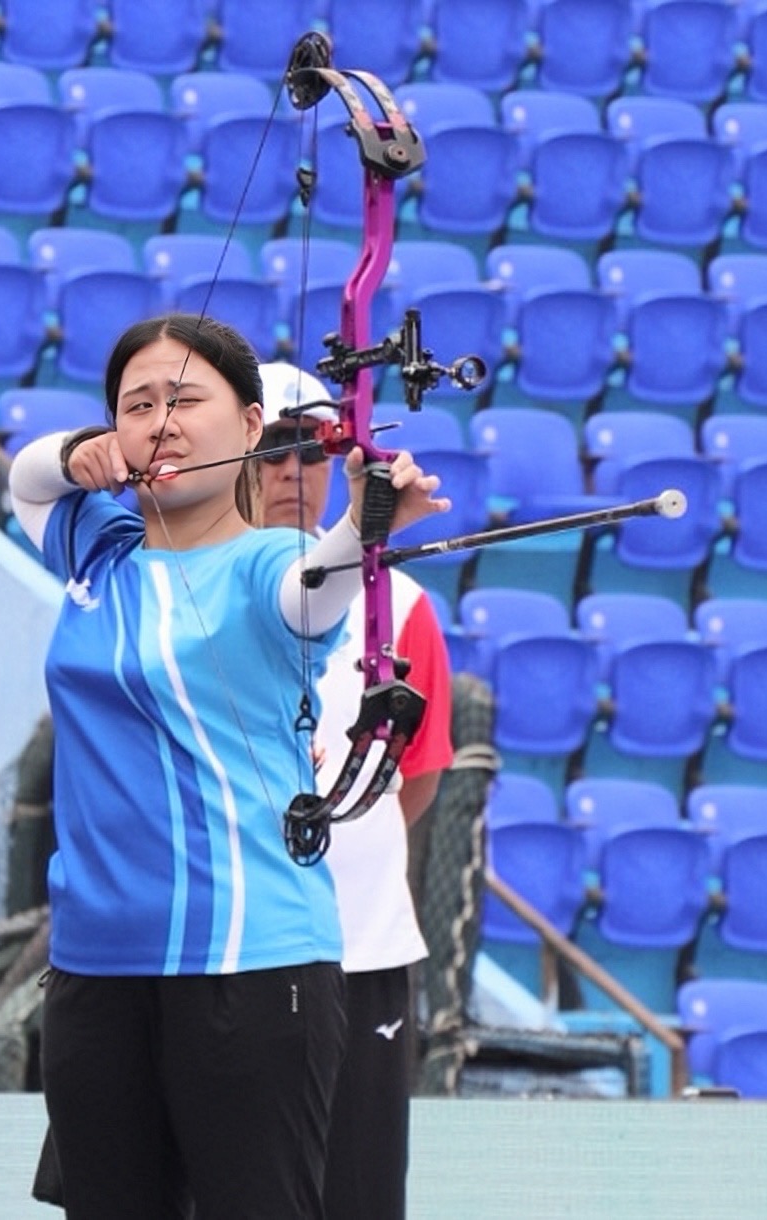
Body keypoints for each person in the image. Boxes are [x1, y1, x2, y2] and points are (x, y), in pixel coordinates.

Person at [9, 313, 447, 1218]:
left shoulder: (268, 564)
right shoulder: (96, 549)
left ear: (250, 427)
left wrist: (367, 520)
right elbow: (25, 479)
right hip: (95, 969)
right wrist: (76, 449)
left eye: (186, 400)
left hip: (253, 970)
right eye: (136, 406)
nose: (160, 422)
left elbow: (314, 590)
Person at [248, 362, 454, 1220]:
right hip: (230, 957)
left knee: (358, 1195)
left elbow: (415, 781)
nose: (296, 472)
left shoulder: (403, 605)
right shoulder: (179, 590)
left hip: (361, 951)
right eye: (273, 450)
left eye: (319, 449)